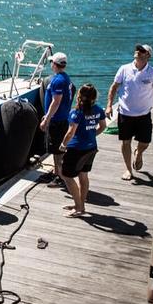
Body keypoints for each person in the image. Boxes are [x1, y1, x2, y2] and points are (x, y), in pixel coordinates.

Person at [107, 44, 153, 181]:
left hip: (144, 115)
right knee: (125, 142)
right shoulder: (124, 69)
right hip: (125, 114)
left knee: (145, 142)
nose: (138, 52)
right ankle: (128, 169)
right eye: (137, 50)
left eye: (142, 51)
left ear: (148, 56)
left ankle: (138, 153)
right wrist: (109, 105)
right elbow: (114, 87)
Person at [58, 84, 107, 217]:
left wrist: (63, 145)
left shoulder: (77, 112)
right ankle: (81, 205)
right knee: (83, 175)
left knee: (66, 176)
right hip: (91, 147)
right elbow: (103, 126)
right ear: (94, 97)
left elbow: (70, 133)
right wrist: (91, 135)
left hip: (77, 149)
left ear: (79, 96)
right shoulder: (98, 110)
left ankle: (79, 207)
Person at [38, 52, 74, 187]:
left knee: (58, 151)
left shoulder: (58, 80)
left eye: (51, 62)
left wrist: (47, 118)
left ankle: (61, 178)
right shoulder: (65, 78)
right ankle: (56, 172)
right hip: (60, 118)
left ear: (54, 64)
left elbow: (56, 102)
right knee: (55, 150)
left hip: (57, 121)